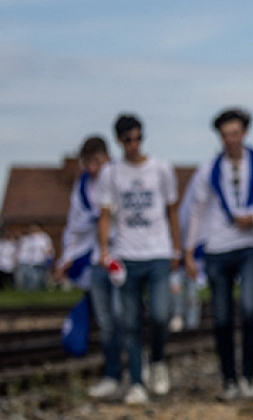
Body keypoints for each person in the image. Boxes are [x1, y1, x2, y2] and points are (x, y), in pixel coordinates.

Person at [183, 107, 253, 401]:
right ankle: (229, 380)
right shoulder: (209, 169)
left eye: (235, 133)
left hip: (250, 244)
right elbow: (196, 211)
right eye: (225, 135)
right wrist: (189, 250)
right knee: (221, 317)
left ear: (244, 133)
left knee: (249, 309)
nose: (230, 140)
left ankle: (248, 376)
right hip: (218, 248)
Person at [97, 113, 186, 405]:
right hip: (127, 255)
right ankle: (136, 381)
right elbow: (106, 214)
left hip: (158, 252)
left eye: (137, 139)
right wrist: (104, 251)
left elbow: (172, 210)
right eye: (127, 140)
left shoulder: (161, 170)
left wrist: (177, 248)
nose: (133, 145)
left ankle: (158, 360)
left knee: (161, 314)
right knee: (130, 322)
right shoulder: (111, 174)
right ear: (119, 142)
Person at [60, 135, 125, 398]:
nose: (94, 168)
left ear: (107, 157)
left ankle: (135, 371)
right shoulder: (83, 186)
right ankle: (112, 374)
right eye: (89, 163)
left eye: (98, 161)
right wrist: (67, 256)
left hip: (122, 255)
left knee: (123, 316)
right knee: (106, 321)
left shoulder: (120, 176)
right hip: (99, 258)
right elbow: (75, 226)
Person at [16, 223, 53, 291]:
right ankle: (32, 290)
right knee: (33, 277)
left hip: (41, 260)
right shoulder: (29, 238)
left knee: (41, 277)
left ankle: (42, 289)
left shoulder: (44, 237)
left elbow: (48, 249)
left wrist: (47, 258)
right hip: (32, 261)